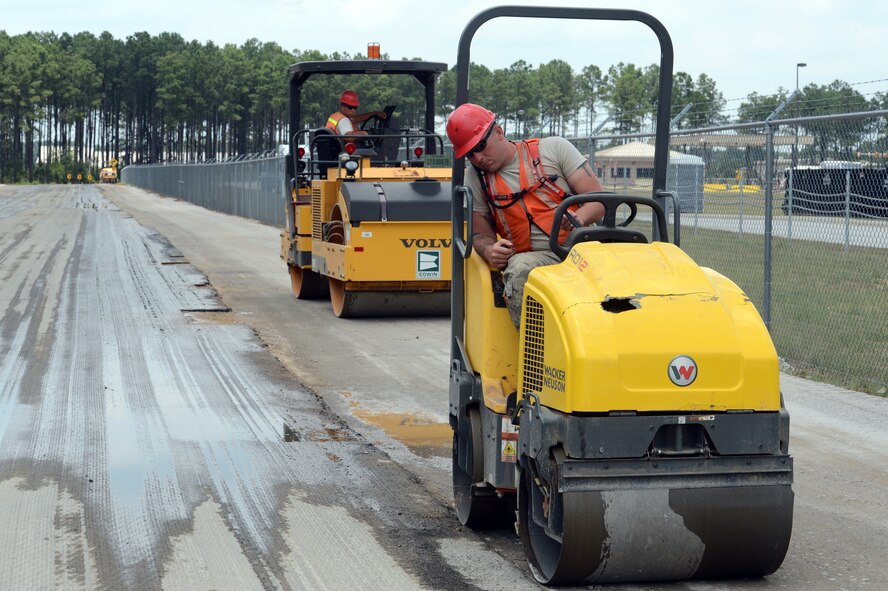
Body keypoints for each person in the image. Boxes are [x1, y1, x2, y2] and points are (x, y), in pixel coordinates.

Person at [446, 103, 606, 328]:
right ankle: (538, 356)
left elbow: (598, 201)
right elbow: (481, 236)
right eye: (470, 154)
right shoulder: (476, 179)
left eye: (481, 145)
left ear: (499, 132)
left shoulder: (554, 149)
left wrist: (580, 217)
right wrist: (490, 251)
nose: (478, 157)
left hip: (583, 249)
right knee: (519, 270)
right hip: (537, 259)